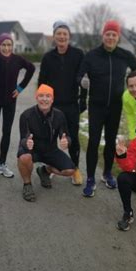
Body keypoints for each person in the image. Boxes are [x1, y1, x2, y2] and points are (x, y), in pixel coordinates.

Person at [77, 20, 136, 197]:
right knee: (93, 141)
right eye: (108, 34)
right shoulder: (91, 55)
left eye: (114, 34)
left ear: (118, 37)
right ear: (103, 36)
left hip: (115, 105)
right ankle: (90, 178)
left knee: (111, 140)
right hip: (96, 105)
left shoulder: (124, 55)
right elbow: (79, 74)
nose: (111, 37)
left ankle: (106, 174)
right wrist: (83, 81)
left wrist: (131, 81)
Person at [38, 21, 86, 186]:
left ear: (69, 36)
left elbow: (84, 79)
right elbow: (41, 82)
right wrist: (42, 103)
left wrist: (83, 99)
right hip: (52, 105)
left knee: (72, 138)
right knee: (50, 138)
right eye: (58, 33)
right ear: (54, 36)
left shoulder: (78, 55)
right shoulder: (48, 57)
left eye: (64, 34)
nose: (61, 36)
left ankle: (76, 169)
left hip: (72, 103)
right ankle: (50, 167)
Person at [0, 33, 35, 183]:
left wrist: (20, 88)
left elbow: (31, 68)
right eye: (3, 45)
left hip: (10, 102)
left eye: (9, 45)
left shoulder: (17, 59)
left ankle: (2, 164)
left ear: (12, 46)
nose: (6, 48)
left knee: (6, 133)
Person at [17, 84, 75, 202]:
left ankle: (44, 171)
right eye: (41, 96)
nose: (44, 99)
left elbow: (66, 136)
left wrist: (66, 142)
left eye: (48, 96)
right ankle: (27, 185)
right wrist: (26, 143)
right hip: (32, 150)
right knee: (24, 157)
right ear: (36, 98)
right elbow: (23, 138)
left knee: (70, 170)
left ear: (52, 99)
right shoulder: (26, 115)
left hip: (50, 150)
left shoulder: (59, 115)